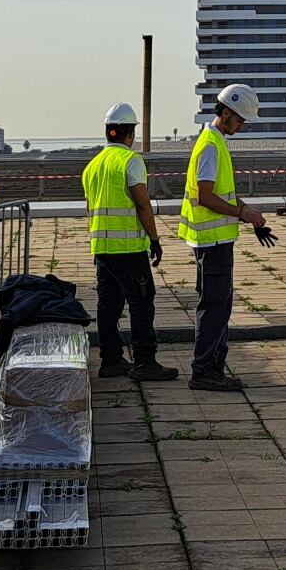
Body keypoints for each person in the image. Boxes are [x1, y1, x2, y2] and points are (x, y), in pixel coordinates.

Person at [179, 82, 277, 393]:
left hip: (216, 241)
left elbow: (222, 194)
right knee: (214, 306)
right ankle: (204, 370)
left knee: (219, 305)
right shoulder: (210, 145)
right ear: (224, 112)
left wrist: (248, 212)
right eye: (240, 119)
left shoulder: (216, 142)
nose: (243, 125)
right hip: (212, 243)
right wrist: (242, 214)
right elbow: (206, 196)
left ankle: (213, 367)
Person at [84, 103, 177, 381]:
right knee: (141, 302)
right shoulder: (131, 161)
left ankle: (111, 359)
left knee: (108, 304)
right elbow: (142, 204)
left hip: (102, 247)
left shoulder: (93, 165)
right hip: (128, 248)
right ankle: (145, 361)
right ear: (130, 133)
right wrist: (155, 238)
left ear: (107, 132)